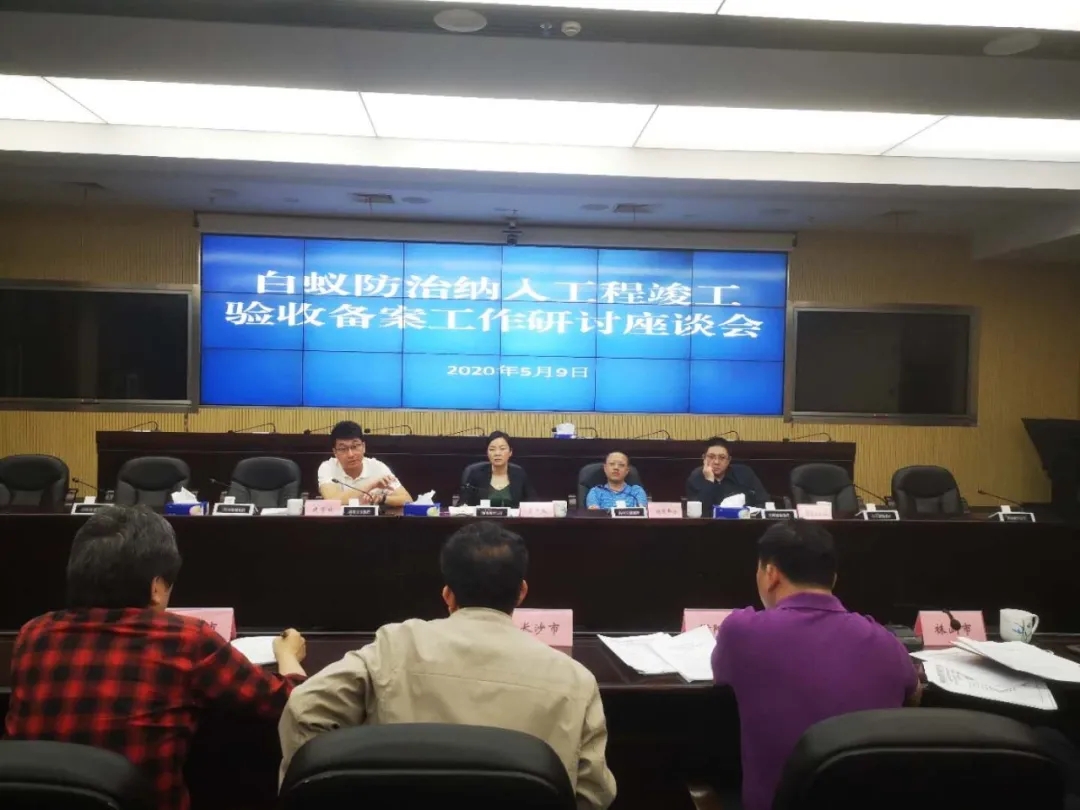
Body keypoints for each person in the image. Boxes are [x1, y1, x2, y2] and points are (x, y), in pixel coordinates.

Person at [279, 521, 617, 810]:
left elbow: (303, 709)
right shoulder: (576, 680)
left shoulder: (396, 645)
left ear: (447, 595)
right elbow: (593, 794)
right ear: (521, 593)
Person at [4, 506, 308, 810]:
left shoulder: (33, 634)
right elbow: (296, 706)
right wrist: (287, 655)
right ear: (156, 588)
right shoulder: (186, 638)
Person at [712, 521, 920, 810]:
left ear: (771, 574)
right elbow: (914, 695)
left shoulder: (741, 631)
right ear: (833, 578)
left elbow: (722, 681)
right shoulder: (886, 642)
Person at [317, 420, 413, 506]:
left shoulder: (378, 467)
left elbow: (407, 500)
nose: (350, 454)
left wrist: (383, 499)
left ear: (363, 447)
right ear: (335, 452)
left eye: (355, 446)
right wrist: (372, 485)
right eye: (343, 449)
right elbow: (332, 501)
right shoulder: (328, 467)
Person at [685, 437, 768, 510]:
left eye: (722, 457)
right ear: (704, 458)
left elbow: (764, 502)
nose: (716, 462)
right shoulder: (695, 478)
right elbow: (699, 512)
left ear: (729, 460)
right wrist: (709, 481)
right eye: (711, 457)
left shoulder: (744, 474)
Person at [460, 431, 538, 507]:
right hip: (483, 516)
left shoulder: (519, 474)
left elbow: (533, 503)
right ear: (487, 452)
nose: (497, 453)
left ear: (510, 452)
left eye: (502, 449)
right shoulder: (476, 474)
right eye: (492, 449)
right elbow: (463, 503)